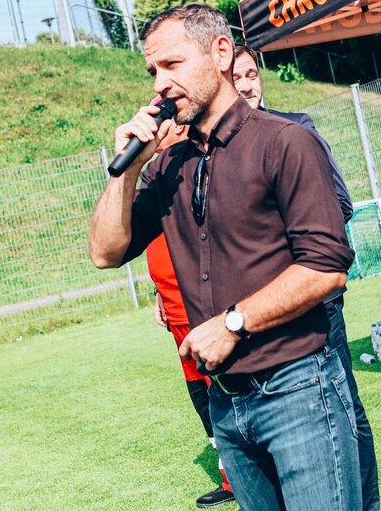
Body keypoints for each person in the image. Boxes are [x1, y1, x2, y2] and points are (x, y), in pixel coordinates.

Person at [90, 3, 362, 510]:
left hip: (299, 388)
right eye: (152, 71)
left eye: (172, 64)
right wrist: (126, 171)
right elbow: (106, 253)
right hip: (227, 403)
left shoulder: (285, 141)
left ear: (220, 53)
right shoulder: (168, 166)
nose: (159, 84)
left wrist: (232, 324)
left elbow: (326, 269)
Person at [232, 44, 379, 510]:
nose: (246, 85)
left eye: (252, 74)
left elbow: (341, 204)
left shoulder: (294, 128)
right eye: (236, 77)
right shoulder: (216, 152)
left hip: (312, 299)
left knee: (344, 407)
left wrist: (283, 251)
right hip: (257, 312)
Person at [146, 122, 235, 509]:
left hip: (204, 308)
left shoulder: (196, 166)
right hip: (174, 309)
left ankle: (246, 472)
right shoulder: (157, 174)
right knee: (202, 396)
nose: (153, 131)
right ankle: (230, 476)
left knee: (225, 391)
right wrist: (157, 291)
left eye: (161, 122)